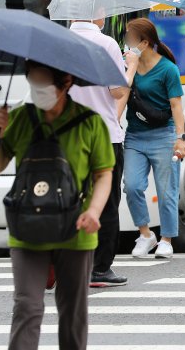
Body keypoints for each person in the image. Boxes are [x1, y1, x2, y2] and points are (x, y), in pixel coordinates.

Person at [0, 61, 115, 350]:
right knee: (27, 308)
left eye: (43, 84)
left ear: (66, 81)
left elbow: (103, 174)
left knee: (72, 313)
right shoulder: (19, 119)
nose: (37, 91)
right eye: (33, 83)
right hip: (26, 228)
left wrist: (94, 212)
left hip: (76, 230)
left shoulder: (90, 123)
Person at [112, 18, 185, 259]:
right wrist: (111, 121)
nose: (125, 44)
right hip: (135, 136)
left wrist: (181, 137)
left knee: (167, 190)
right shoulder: (129, 68)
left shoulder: (168, 69)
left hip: (163, 136)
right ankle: (145, 234)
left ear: (144, 43)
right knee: (132, 186)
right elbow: (122, 95)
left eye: (129, 39)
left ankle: (166, 239)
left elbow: (176, 105)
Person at [69, 18, 128, 287]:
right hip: (104, 135)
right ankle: (100, 268)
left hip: (69, 137)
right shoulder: (107, 44)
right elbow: (117, 91)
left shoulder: (60, 43)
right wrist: (131, 69)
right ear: (98, 13)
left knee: (71, 199)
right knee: (106, 202)